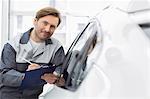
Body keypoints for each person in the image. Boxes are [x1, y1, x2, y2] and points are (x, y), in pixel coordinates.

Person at [0, 6, 66, 99]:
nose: (47, 29)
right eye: (45, 23)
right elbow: (4, 75)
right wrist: (33, 76)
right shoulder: (13, 45)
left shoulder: (56, 47)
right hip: (7, 96)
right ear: (35, 21)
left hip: (33, 96)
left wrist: (52, 74)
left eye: (52, 26)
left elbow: (61, 69)